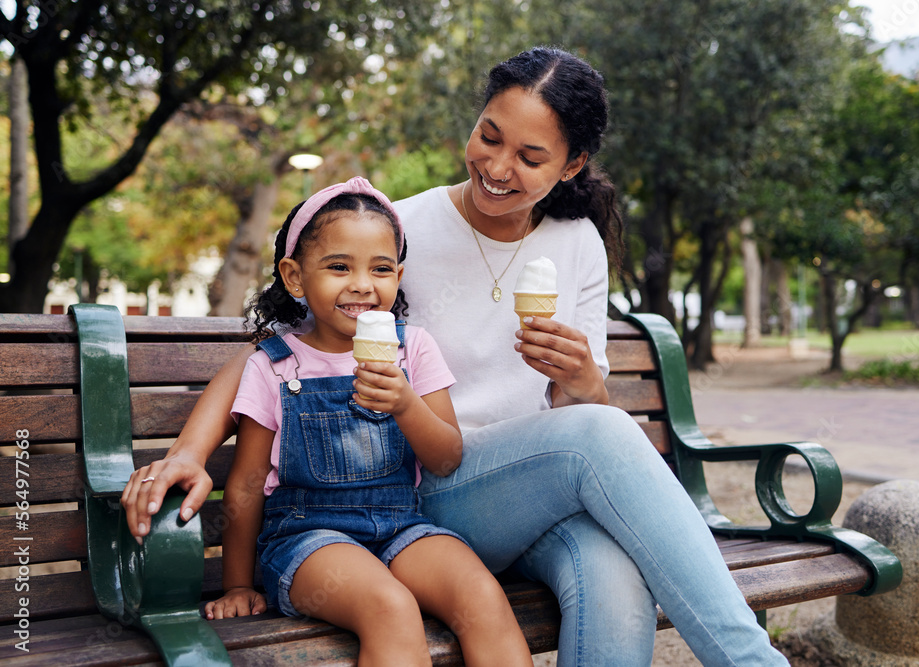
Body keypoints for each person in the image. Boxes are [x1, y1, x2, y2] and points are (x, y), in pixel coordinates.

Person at [123, 47, 788, 666]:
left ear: (573, 165)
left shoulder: (578, 242)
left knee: (614, 575)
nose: (498, 168)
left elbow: (572, 418)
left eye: (531, 157)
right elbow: (277, 355)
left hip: (525, 494)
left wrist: (583, 379)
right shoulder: (398, 232)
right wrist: (189, 448)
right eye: (489, 136)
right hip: (419, 485)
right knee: (603, 432)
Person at [200, 177, 532, 666]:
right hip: (307, 538)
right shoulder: (274, 365)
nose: (361, 284)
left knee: (481, 593)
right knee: (390, 606)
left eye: (380, 269)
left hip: (401, 526)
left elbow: (446, 457)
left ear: (398, 276)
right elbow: (247, 484)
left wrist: (405, 404)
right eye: (338, 267)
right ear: (294, 277)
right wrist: (237, 585)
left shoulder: (412, 349)